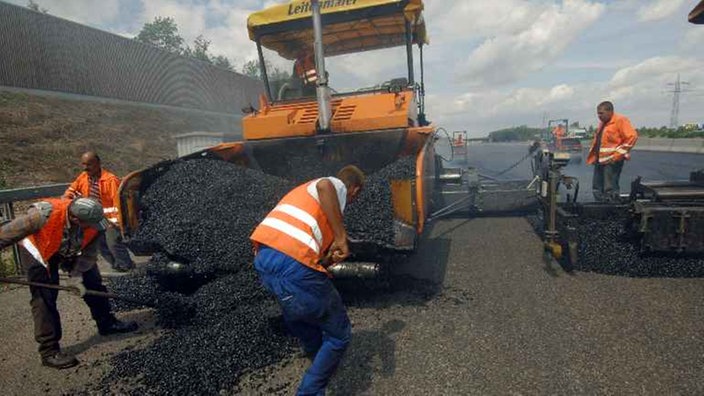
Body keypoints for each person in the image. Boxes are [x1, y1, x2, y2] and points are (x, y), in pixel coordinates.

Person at [250, 165, 365, 395]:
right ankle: (310, 391)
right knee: (339, 334)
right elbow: (326, 186)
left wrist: (326, 260)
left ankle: (315, 352)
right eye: (355, 197)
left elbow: (307, 254)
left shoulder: (306, 197)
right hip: (292, 264)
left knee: (296, 311)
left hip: (263, 258)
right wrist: (342, 237)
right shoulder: (332, 185)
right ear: (354, 190)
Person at [0, 197, 139, 369]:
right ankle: (49, 351)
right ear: (75, 218)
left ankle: (107, 323)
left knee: (93, 281)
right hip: (39, 251)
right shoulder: (40, 215)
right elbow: (5, 235)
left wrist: (76, 276)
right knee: (44, 298)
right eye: (91, 224)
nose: (96, 227)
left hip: (70, 246)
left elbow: (89, 253)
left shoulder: (94, 223)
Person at [64, 152, 135, 272]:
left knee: (113, 243)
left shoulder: (110, 180)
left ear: (98, 164)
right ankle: (116, 265)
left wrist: (116, 221)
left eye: (89, 164)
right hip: (93, 218)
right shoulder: (83, 177)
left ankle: (127, 266)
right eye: (84, 164)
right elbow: (71, 190)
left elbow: (119, 203)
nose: (85, 167)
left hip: (110, 219)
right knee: (100, 245)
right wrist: (66, 200)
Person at [587, 101, 638, 202]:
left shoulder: (620, 121)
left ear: (610, 111)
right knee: (597, 187)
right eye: (598, 113)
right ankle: (600, 205)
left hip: (612, 161)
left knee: (609, 187)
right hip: (600, 160)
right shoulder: (603, 123)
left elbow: (632, 136)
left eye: (601, 113)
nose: (599, 116)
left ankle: (611, 207)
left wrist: (617, 155)